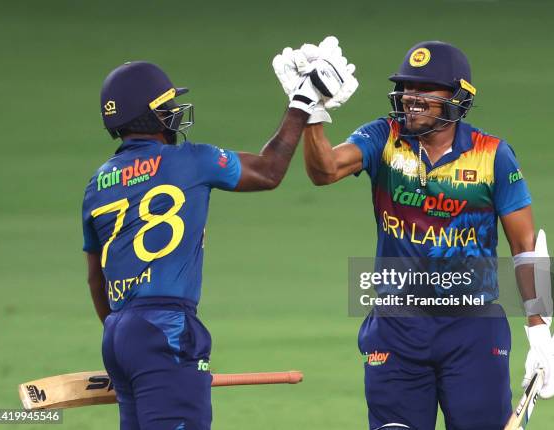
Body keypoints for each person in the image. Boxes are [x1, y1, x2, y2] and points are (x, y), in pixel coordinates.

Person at [287, 40, 554, 429]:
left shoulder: (492, 155)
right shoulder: (383, 138)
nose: (411, 98)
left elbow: (524, 246)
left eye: (425, 90)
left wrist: (538, 330)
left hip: (473, 327)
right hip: (396, 327)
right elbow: (324, 171)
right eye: (407, 88)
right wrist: (310, 111)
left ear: (457, 98)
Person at [82, 57, 355, 430]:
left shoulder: (96, 185)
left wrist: (127, 343)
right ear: (151, 116)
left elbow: (96, 280)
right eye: (167, 107)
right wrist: (302, 103)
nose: (174, 113)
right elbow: (268, 171)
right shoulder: (191, 160)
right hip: (167, 327)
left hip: (118, 334)